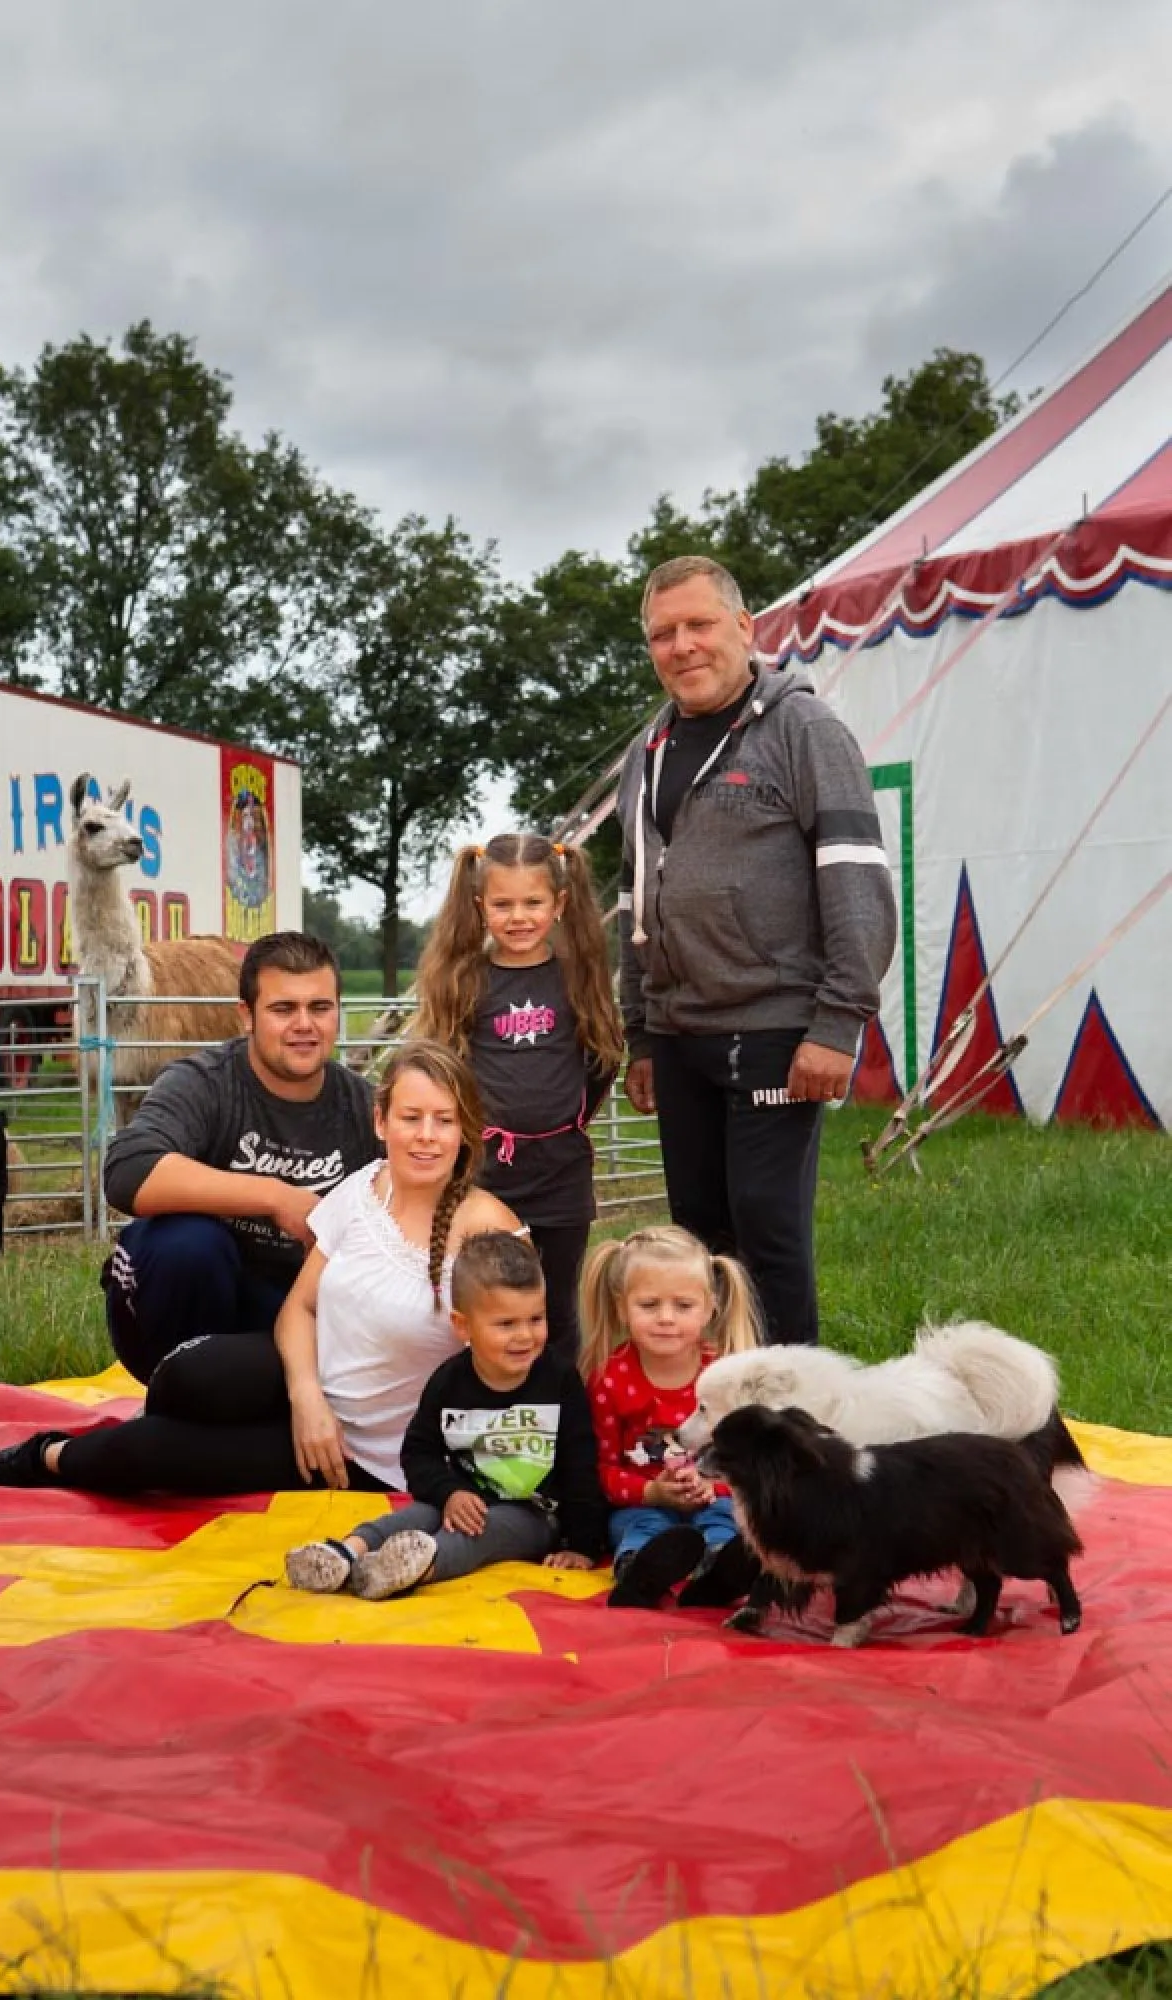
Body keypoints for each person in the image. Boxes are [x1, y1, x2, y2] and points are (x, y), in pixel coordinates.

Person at [0, 1042, 521, 1496]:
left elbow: (516, 1356)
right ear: (380, 1123)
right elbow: (301, 1307)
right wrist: (306, 1396)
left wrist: (482, 1478)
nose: (425, 1136)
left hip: (371, 1448)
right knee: (189, 1379)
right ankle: (224, 1418)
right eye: (411, 1117)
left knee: (158, 1454)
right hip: (313, 1379)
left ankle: (45, 1455)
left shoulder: (490, 1230)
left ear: (467, 1131)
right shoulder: (363, 1188)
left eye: (444, 1121)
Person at [617, 555, 897, 1345]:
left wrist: (838, 1024)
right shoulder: (648, 752)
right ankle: (714, 1415)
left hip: (775, 1029)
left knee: (768, 1235)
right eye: (662, 634)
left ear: (745, 628)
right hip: (679, 1034)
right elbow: (634, 897)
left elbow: (856, 880)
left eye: (700, 624)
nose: (682, 646)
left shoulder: (805, 729)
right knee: (698, 1241)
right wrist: (641, 1028)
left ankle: (790, 1428)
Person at [100, 931, 379, 1383]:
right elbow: (128, 1171)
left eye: (320, 1008)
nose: (304, 1024)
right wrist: (275, 1197)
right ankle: (176, 1398)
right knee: (187, 1245)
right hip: (183, 1299)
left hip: (291, 1306)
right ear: (246, 1016)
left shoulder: (363, 1108)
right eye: (283, 1009)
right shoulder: (203, 1082)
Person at [285, 1231, 607, 1600]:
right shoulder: (448, 1382)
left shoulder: (560, 1380)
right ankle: (344, 1554)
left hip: (533, 1513)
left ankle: (412, 1568)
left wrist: (583, 1544)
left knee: (478, 1531)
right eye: (506, 1324)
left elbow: (582, 1464)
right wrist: (450, 1491)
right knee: (416, 1515)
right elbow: (417, 1454)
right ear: (463, 1326)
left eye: (536, 1319)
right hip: (459, 1500)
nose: (525, 1336)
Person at [412, 832, 624, 1368]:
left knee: (554, 1308)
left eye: (533, 903)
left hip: (560, 1173)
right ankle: (480, 1404)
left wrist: (562, 1120)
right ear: (480, 906)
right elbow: (442, 1067)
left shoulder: (578, 975)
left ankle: (560, 1418)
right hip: (485, 1173)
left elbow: (601, 1059)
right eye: (503, 904)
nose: (519, 917)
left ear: (560, 904)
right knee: (485, 1298)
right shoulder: (465, 978)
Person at [581, 1224, 760, 1610]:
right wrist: (651, 1492)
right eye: (649, 1305)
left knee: (726, 1518)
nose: (666, 1318)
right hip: (643, 1503)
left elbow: (750, 1463)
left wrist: (713, 1487)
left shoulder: (723, 1376)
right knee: (637, 1526)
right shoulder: (610, 1379)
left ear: (711, 1306)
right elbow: (602, 1467)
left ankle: (721, 1568)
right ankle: (638, 1571)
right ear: (620, 1307)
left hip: (713, 1497)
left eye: (683, 1306)